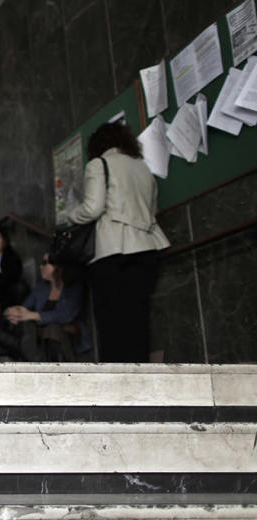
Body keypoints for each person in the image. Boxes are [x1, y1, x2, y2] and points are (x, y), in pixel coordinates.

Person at [57, 121, 170, 362]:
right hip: (147, 248)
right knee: (138, 318)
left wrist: (69, 215)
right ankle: (141, 372)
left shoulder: (99, 164)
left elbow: (93, 208)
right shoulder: (142, 167)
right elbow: (152, 209)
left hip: (113, 251)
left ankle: (118, 380)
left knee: (111, 321)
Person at [4, 253, 92, 361]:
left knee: (52, 328)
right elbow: (25, 308)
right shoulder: (41, 288)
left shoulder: (73, 287)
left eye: (45, 263)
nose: (41, 267)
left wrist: (34, 315)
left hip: (67, 337)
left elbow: (67, 315)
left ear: (58, 266)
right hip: (41, 337)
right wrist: (15, 313)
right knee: (28, 328)